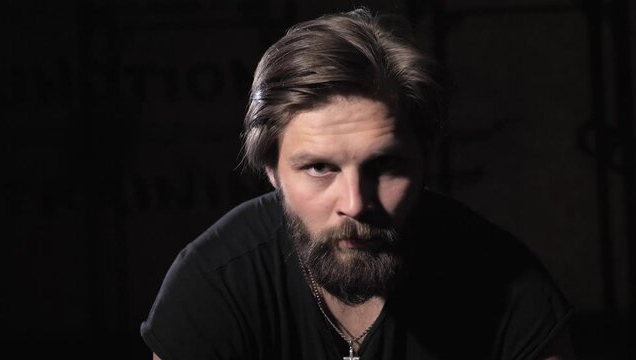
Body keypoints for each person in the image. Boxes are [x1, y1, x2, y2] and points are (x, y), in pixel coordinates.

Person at [141, 8, 576, 360]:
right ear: (272, 172)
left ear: (424, 159)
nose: (355, 203)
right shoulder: (215, 283)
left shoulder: (505, 281)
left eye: (384, 165)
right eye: (318, 168)